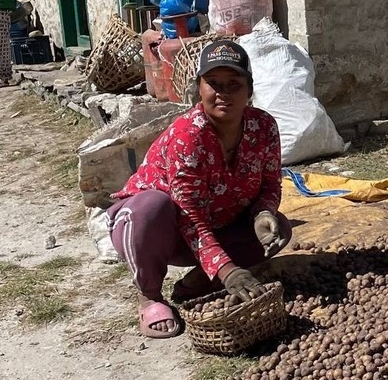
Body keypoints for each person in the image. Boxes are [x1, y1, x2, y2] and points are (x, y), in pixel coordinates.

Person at [107, 39, 291, 338]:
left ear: (249, 90)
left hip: (215, 226)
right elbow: (189, 216)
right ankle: (150, 296)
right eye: (213, 83)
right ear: (199, 89)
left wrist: (262, 213)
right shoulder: (189, 136)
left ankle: (194, 285)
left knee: (279, 228)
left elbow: (270, 183)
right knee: (152, 206)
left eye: (234, 84)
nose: (223, 93)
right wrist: (228, 270)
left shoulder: (264, 127)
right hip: (156, 230)